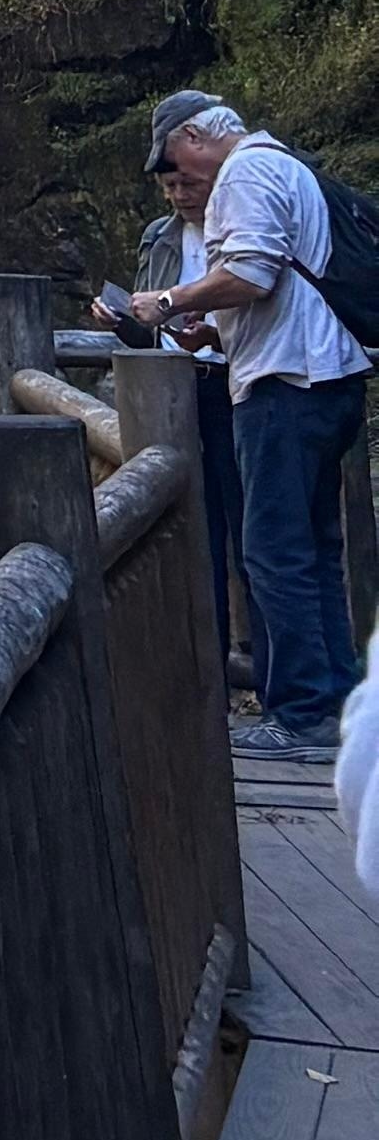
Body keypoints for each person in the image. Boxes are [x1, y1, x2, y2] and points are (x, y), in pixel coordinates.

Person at [103, 92, 368, 756]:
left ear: (195, 135)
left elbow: (251, 273)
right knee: (314, 550)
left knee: (275, 551)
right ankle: (339, 705)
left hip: (284, 385)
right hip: (326, 376)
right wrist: (213, 333)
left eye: (172, 157)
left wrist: (168, 301)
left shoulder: (246, 173)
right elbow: (283, 287)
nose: (175, 175)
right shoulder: (286, 165)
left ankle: (302, 712)